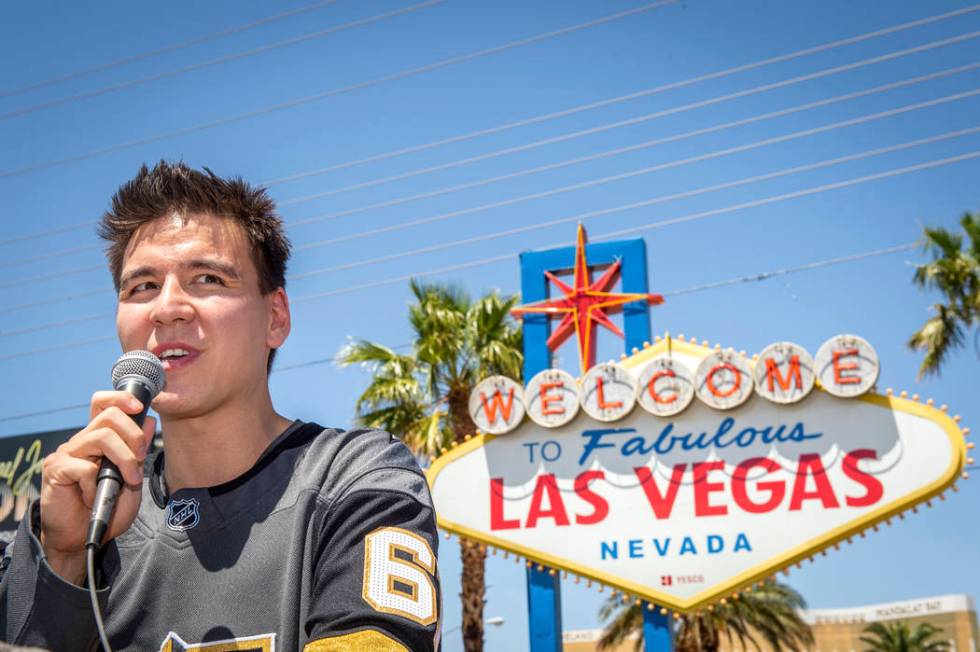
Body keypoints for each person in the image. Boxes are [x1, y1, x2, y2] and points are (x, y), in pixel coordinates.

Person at [0, 162, 441, 651]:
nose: (167, 308)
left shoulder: (357, 477)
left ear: (275, 317)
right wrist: (61, 557)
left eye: (207, 279)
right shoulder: (82, 511)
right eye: (141, 287)